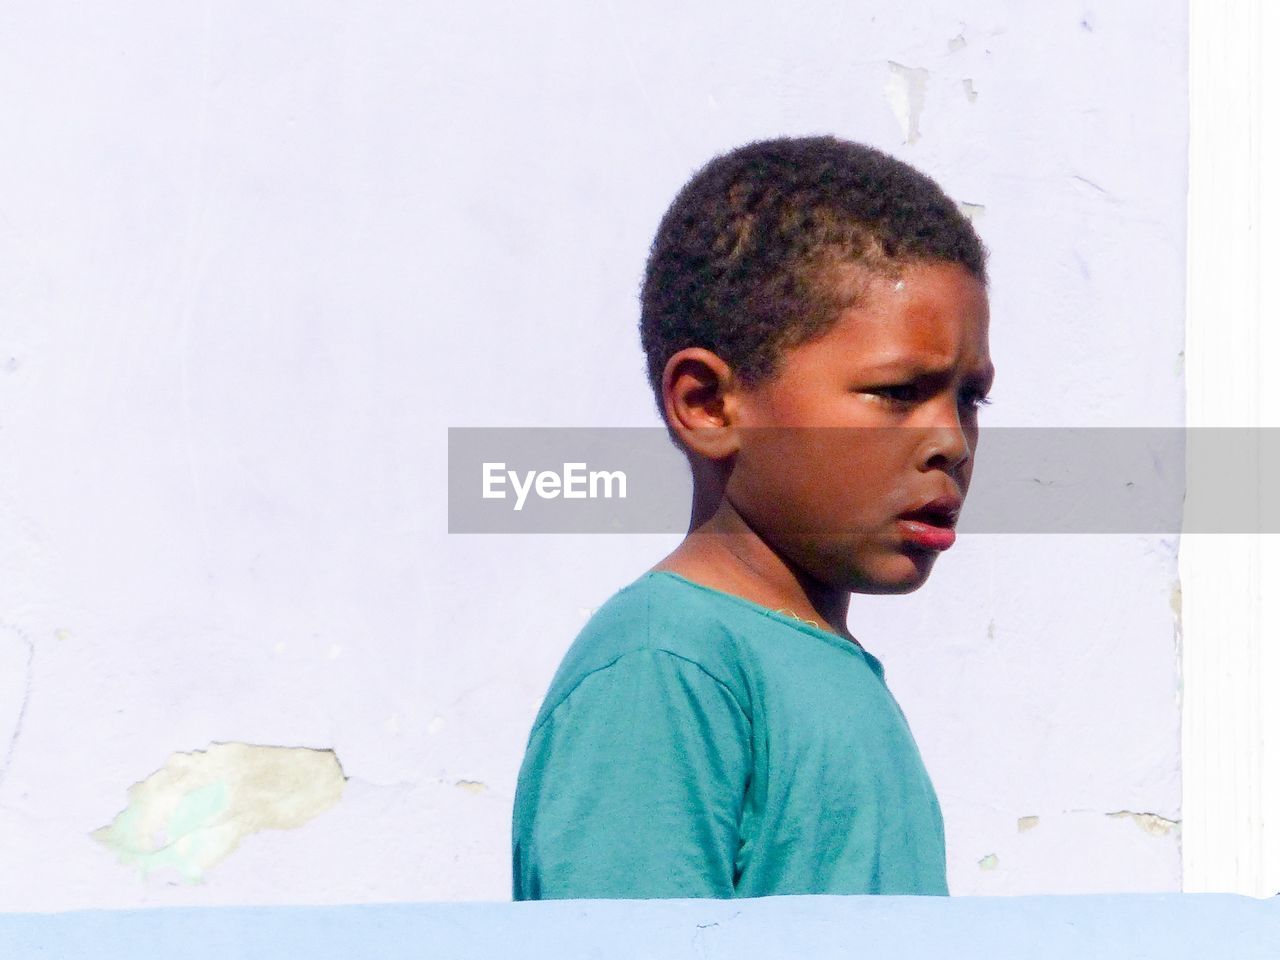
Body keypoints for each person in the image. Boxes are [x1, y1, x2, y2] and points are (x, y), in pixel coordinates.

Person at [511, 136, 993, 900]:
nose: (951, 441)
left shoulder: (828, 670)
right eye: (899, 392)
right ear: (707, 404)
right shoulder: (665, 667)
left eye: (970, 398)